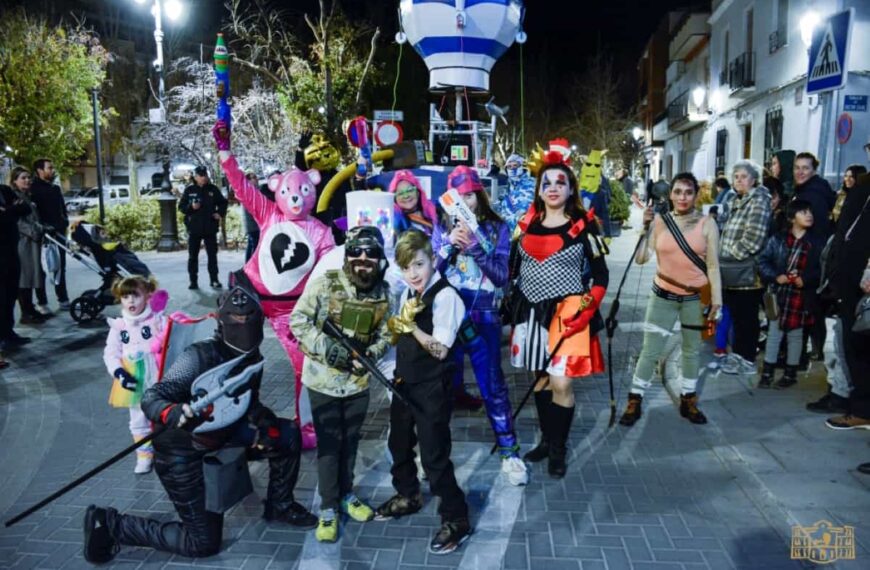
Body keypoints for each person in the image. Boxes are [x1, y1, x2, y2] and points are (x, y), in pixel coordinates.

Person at [82, 279, 317, 564]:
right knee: (201, 543)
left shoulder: (251, 354)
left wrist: (261, 422)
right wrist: (173, 411)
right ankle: (111, 525)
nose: (242, 324)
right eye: (235, 319)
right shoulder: (198, 356)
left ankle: (280, 505)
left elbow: (246, 401)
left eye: (249, 318)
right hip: (182, 452)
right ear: (221, 321)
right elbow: (153, 397)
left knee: (287, 434)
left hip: (224, 432)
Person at [215, 120, 336, 450]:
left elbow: (328, 273)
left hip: (293, 310)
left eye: (302, 192)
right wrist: (226, 155)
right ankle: (234, 421)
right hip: (251, 301)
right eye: (288, 192)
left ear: (313, 187)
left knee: (304, 366)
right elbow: (241, 187)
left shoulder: (321, 232)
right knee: (237, 362)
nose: (295, 199)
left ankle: (307, 425)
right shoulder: (268, 213)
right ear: (276, 189)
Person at [508, 152, 609, 478]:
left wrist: (585, 310)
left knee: (561, 382)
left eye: (560, 182)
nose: (553, 188)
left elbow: (601, 276)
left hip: (568, 313)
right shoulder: (524, 226)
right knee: (539, 380)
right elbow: (511, 270)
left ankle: (559, 448)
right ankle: (547, 440)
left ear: (570, 190)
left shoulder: (584, 227)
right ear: (539, 190)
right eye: (546, 183)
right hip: (530, 312)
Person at [289, 226, 392, 542]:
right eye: (356, 252)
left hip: (358, 383)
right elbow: (298, 321)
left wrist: (371, 353)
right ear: (347, 255)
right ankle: (328, 508)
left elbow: (388, 333)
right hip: (323, 383)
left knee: (350, 442)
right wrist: (328, 349)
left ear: (379, 257)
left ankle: (347, 495)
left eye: (371, 252)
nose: (363, 259)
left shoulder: (384, 292)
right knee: (330, 445)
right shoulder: (325, 284)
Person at [374, 229, 472, 555]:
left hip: (433, 387)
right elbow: (398, 337)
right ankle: (408, 495)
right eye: (406, 268)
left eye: (418, 264)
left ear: (432, 259)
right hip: (405, 382)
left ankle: (457, 519)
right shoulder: (408, 294)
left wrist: (411, 327)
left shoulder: (446, 297)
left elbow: (441, 350)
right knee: (398, 444)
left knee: (434, 457)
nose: (412, 273)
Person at [432, 166, 528, 486]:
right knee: (440, 385)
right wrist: (448, 245)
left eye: (470, 195)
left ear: (480, 195)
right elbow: (427, 273)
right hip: (447, 313)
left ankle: (509, 450)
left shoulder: (497, 227)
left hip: (484, 314)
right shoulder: (440, 224)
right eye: (458, 196)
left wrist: (474, 245)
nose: (464, 202)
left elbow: (502, 275)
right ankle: (432, 454)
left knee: (492, 385)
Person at [619, 173, 721, 426]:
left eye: (688, 192)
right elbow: (642, 258)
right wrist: (644, 228)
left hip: (694, 299)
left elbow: (713, 266)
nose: (682, 197)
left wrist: (717, 299)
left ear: (696, 195)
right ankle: (635, 400)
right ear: (671, 194)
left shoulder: (708, 224)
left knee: (691, 350)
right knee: (650, 351)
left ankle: (689, 400)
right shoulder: (660, 222)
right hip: (662, 295)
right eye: (678, 192)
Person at [102, 275, 168, 474]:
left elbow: (170, 340)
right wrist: (119, 372)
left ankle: (166, 449)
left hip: (158, 375)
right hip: (134, 379)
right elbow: (111, 353)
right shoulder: (119, 326)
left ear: (148, 295)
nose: (130, 300)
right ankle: (144, 455)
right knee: (138, 418)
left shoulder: (158, 320)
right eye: (125, 296)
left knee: (163, 413)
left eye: (136, 295)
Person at [757, 200, 823, 388]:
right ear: (792, 218)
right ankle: (767, 371)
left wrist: (807, 279)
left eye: (810, 211)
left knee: (796, 335)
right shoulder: (778, 239)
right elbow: (762, 261)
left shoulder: (815, 242)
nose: (809, 214)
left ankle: (790, 373)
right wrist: (776, 276)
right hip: (780, 292)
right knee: (774, 332)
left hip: (802, 295)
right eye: (803, 212)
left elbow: (822, 269)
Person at [825, 171, 870, 431]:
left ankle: (862, 407)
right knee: (853, 344)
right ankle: (859, 405)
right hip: (850, 281)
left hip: (862, 282)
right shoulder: (863, 186)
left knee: (861, 346)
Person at [719, 160, 772, 375]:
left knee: (747, 318)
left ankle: (747, 359)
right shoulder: (735, 199)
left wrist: (728, 255)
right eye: (736, 176)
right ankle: (738, 356)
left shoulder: (759, 200)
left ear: (754, 179)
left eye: (744, 176)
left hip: (746, 271)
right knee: (737, 318)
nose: (739, 180)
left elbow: (753, 239)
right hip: (732, 271)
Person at [9, 167, 49, 324]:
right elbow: (19, 222)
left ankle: (30, 308)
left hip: (32, 242)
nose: (27, 181)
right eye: (23, 178)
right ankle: (26, 311)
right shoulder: (15, 198)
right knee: (24, 276)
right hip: (23, 242)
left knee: (32, 275)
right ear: (14, 181)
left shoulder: (27, 197)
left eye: (28, 178)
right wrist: (35, 230)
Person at [29, 158, 70, 311]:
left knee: (60, 267)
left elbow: (62, 209)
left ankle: (63, 299)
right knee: (41, 269)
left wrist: (64, 222)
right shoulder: (33, 189)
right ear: (40, 170)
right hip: (43, 235)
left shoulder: (55, 188)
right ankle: (42, 302)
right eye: (49, 168)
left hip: (59, 233)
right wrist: (43, 227)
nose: (52, 170)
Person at [179, 166, 228, 289]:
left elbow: (223, 202)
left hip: (210, 227)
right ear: (195, 177)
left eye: (205, 175)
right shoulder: (189, 190)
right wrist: (191, 207)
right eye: (201, 175)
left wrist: (219, 213)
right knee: (193, 256)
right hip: (194, 228)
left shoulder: (212, 189)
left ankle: (214, 279)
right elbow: (181, 207)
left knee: (212, 255)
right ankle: (193, 281)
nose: (204, 177)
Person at [0, 176, 32, 353]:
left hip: (11, 251)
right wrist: (12, 210)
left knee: (11, 292)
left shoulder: (4, 190)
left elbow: (25, 208)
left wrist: (7, 210)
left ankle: (9, 332)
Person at [792, 152, 836, 240]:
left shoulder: (813, 194)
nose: (800, 172)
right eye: (797, 168)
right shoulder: (806, 189)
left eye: (805, 168)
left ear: (814, 171)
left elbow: (817, 229)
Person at [388, 170, 438, 237]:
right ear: (394, 199)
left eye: (410, 190)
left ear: (418, 192)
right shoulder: (394, 224)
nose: (406, 196)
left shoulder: (436, 211)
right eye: (400, 193)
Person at [496, 153, 536, 233]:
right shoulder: (506, 190)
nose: (512, 169)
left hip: (526, 233)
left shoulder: (533, 184)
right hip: (507, 236)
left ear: (522, 166)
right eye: (509, 167)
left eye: (515, 166)